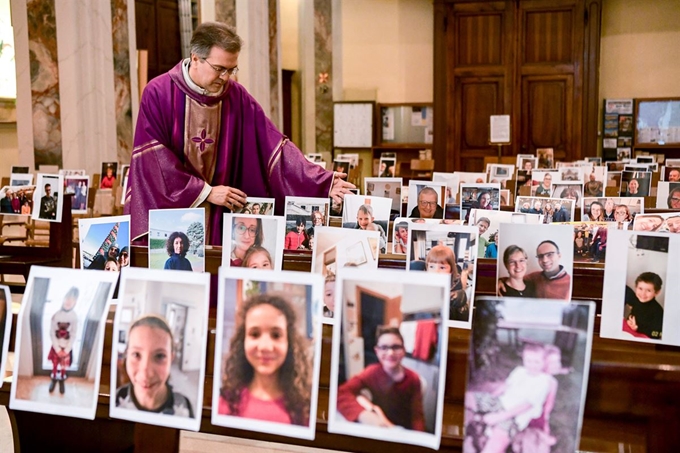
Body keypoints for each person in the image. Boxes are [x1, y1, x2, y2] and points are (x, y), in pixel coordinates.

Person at [124, 22, 353, 244]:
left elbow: (273, 147)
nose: (226, 77)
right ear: (195, 58)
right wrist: (206, 192)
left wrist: (322, 182)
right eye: (219, 69)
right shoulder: (159, 93)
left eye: (231, 69)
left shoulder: (236, 96)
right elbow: (153, 164)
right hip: (178, 216)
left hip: (223, 219)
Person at [219, 293, 311, 425]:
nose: (265, 347)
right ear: (242, 341)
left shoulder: (305, 408)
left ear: (289, 342)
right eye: (255, 334)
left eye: (276, 335)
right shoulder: (227, 403)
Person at [465, 343, 553, 453]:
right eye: (528, 361)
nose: (532, 365)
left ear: (544, 362)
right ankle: (475, 426)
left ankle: (482, 433)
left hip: (514, 417)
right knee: (468, 397)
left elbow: (526, 406)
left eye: (537, 362)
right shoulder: (520, 371)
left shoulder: (544, 381)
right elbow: (505, 387)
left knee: (494, 446)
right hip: (500, 403)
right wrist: (488, 400)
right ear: (523, 359)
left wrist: (498, 417)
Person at [337, 326, 425, 431]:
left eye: (396, 347)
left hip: (402, 432)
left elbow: (417, 417)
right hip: (378, 428)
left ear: (404, 350)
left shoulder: (413, 379)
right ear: (377, 351)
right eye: (384, 347)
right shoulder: (371, 372)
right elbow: (341, 392)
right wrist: (363, 415)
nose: (390, 353)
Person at [116, 315, 194, 416]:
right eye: (136, 354)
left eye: (160, 356)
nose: (146, 374)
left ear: (171, 358)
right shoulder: (114, 400)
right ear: (127, 354)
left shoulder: (184, 408)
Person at [48, 287, 79, 394]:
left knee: (63, 365)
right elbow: (52, 333)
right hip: (56, 347)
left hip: (66, 347)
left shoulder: (74, 317)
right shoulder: (56, 315)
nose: (69, 301)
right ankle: (54, 378)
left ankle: (61, 378)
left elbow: (74, 335)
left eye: (72, 299)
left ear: (75, 302)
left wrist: (66, 350)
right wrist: (57, 349)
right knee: (55, 364)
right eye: (67, 298)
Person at [426, 245, 469, 321]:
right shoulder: (422, 287)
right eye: (432, 267)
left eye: (442, 267)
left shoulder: (457, 297)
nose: (436, 272)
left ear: (451, 270)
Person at [624, 272, 664, 340]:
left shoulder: (658, 311)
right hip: (631, 332)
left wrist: (637, 328)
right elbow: (632, 316)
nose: (643, 293)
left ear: (657, 292)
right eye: (640, 288)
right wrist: (629, 321)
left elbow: (657, 333)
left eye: (648, 290)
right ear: (636, 287)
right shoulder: (636, 301)